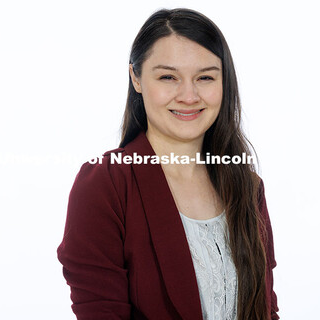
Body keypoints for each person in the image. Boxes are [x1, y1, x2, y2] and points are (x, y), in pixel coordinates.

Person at [57, 8, 279, 320]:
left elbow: (266, 311)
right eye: (167, 77)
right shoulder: (105, 184)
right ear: (136, 78)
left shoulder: (246, 185)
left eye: (205, 77)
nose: (189, 96)